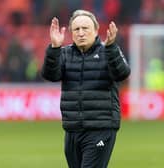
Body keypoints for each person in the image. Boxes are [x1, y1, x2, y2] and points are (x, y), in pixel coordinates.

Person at [41, 9, 130, 168]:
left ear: (96, 30)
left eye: (85, 28)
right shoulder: (65, 53)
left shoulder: (108, 51)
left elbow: (122, 74)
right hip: (73, 129)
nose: (81, 33)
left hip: (100, 127)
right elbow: (50, 75)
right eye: (76, 29)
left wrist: (111, 48)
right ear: (71, 33)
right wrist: (54, 48)